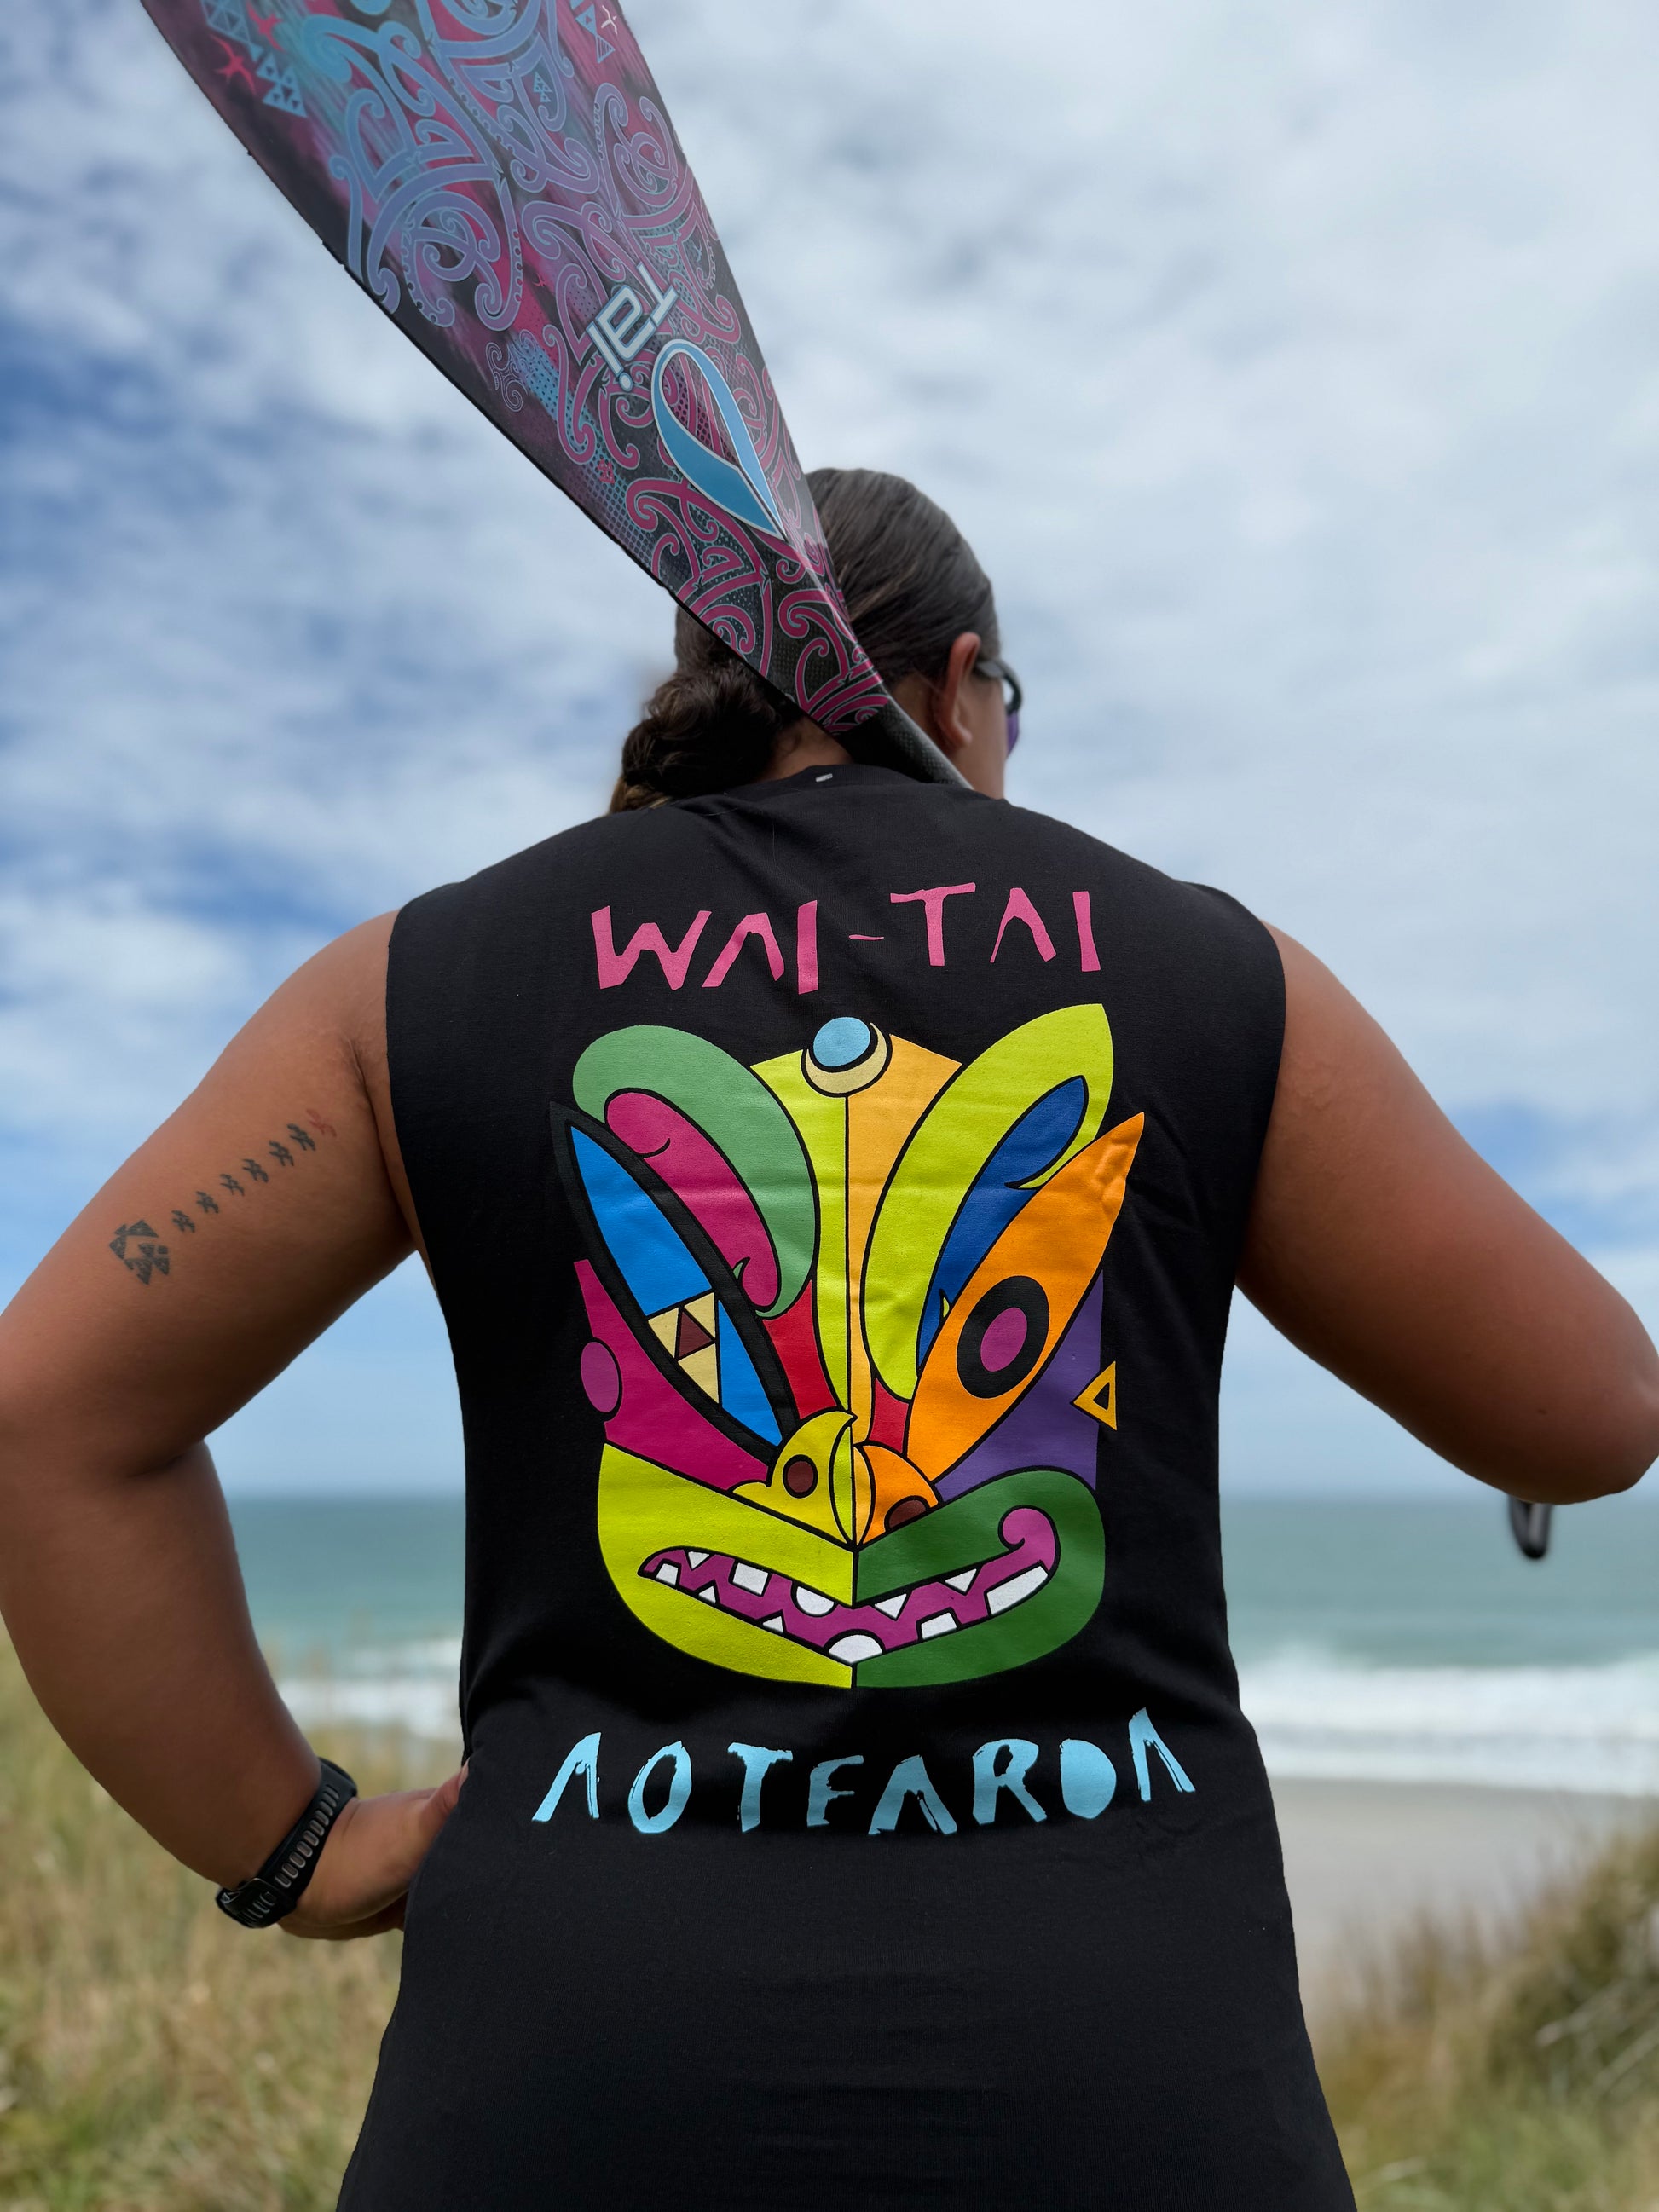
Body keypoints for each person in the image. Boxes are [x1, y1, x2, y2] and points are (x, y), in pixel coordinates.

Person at [0, 465, 1653, 2211]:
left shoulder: (422, 978)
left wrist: (297, 1847)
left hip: (556, 2102)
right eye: (1010, 708)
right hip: (1133, 2103)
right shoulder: (1205, 969)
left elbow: (46, 1416)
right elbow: (1593, 1408)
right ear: (956, 685)